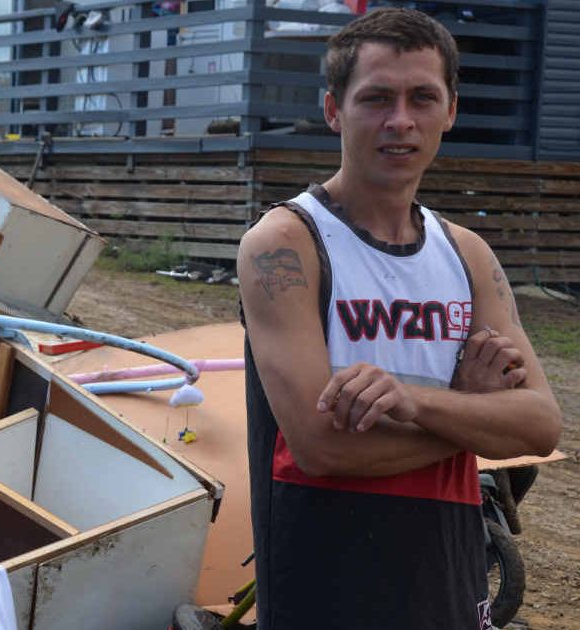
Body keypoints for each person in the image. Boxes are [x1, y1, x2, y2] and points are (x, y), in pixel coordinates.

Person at [235, 8, 561, 630]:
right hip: (324, 585)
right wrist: (475, 412)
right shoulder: (287, 245)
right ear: (334, 110)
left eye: (422, 98)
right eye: (376, 98)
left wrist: (412, 401)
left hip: (449, 574)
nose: (400, 121)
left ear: (451, 110)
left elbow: (541, 425)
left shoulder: (466, 254)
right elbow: (319, 445)